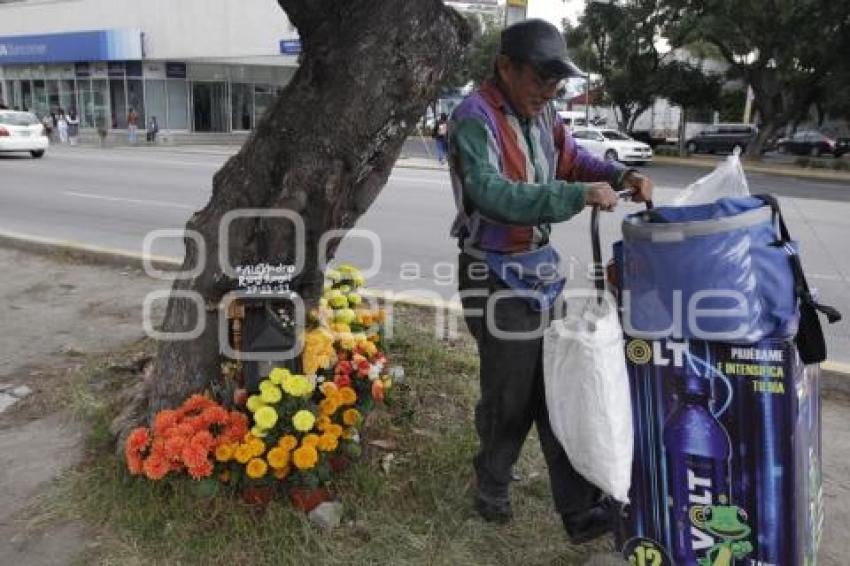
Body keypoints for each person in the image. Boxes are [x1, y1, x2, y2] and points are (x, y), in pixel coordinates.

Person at [447, 19, 653, 544]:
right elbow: (493, 193)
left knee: (560, 384)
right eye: (540, 79)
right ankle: (492, 486)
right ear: (506, 67)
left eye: (555, 82)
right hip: (491, 271)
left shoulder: (544, 117)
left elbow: (574, 158)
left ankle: (580, 511)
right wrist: (573, 197)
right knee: (512, 394)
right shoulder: (474, 119)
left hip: (538, 268)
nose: (549, 91)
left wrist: (616, 176)